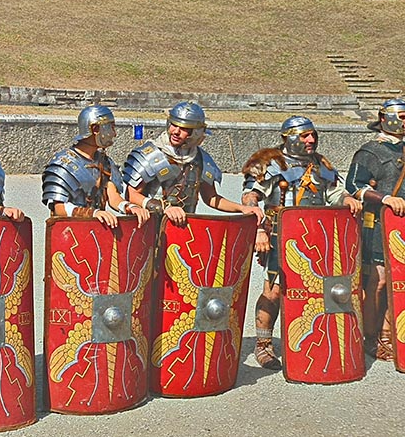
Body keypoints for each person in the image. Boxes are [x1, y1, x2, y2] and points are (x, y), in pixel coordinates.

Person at [241, 115, 362, 369]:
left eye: (313, 135)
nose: (311, 140)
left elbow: (334, 193)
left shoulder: (321, 164)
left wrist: (347, 198)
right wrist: (259, 230)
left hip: (314, 239)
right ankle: (263, 344)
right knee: (273, 291)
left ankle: (308, 341)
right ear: (290, 137)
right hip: (278, 235)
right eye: (305, 135)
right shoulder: (269, 162)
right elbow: (251, 197)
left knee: (313, 291)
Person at [123, 101, 262, 226]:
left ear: (196, 132)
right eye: (174, 125)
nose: (176, 132)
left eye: (184, 128)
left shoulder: (201, 159)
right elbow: (132, 195)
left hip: (185, 228)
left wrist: (242, 208)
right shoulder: (150, 154)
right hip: (150, 228)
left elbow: (211, 198)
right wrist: (164, 207)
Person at [345, 98, 405, 361]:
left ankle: (391, 334)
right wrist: (384, 198)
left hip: (402, 226)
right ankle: (372, 336)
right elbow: (354, 186)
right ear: (384, 119)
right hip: (379, 224)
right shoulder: (370, 152)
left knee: (400, 282)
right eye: (401, 117)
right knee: (378, 281)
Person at [42, 104, 149, 227]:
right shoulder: (63, 164)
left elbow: (113, 196)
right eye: (111, 127)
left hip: (96, 231)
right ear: (95, 129)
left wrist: (130, 207)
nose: (114, 134)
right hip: (70, 232)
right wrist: (92, 213)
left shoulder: (104, 163)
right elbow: (59, 208)